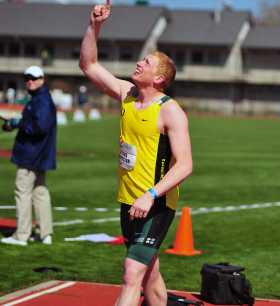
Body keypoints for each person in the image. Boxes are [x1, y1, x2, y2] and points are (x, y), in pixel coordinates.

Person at [79, 2, 193, 306]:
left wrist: (151, 194)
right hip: (128, 201)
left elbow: (185, 165)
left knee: (132, 273)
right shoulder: (127, 94)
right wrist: (94, 26)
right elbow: (89, 66)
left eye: (147, 63)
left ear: (159, 79)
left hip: (154, 205)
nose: (139, 64)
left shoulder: (170, 112)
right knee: (150, 274)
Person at [1, 65, 57, 246]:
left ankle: (22, 235)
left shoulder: (41, 100)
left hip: (31, 154)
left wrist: (19, 123)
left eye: (33, 78)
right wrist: (16, 123)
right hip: (39, 154)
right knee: (40, 191)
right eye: (27, 78)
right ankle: (44, 233)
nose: (29, 81)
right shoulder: (40, 98)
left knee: (22, 192)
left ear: (42, 79)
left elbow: (39, 127)